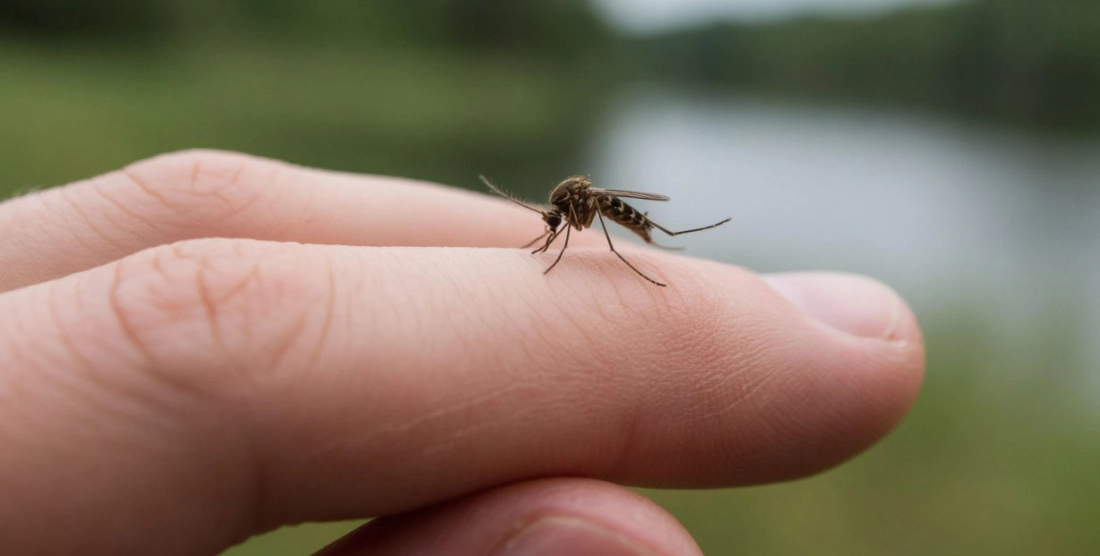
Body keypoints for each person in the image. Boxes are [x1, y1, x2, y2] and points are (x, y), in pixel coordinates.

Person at [0, 150, 924, 556]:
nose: (562, 221)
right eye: (564, 214)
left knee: (628, 238)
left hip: (636, 234)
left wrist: (606, 239)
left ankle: (672, 249)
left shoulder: (589, 213)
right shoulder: (566, 206)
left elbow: (587, 225)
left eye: (557, 214)